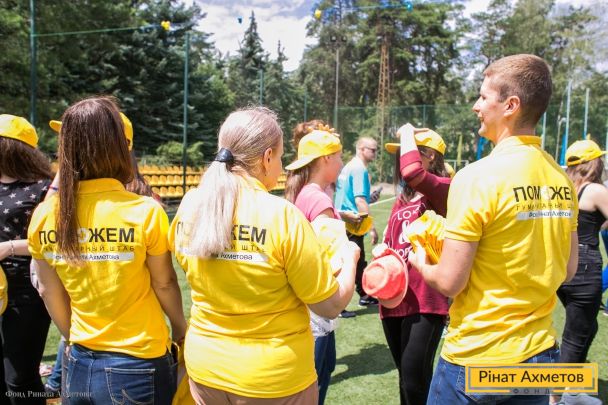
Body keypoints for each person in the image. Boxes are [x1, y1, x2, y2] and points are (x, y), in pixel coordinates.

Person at [409, 54, 578, 405]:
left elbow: (451, 282)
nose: (476, 106)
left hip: (477, 355)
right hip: (538, 355)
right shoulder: (561, 178)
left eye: (483, 97)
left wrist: (421, 262)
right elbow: (568, 269)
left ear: (511, 106)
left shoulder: (476, 177)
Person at [169, 107, 359, 404]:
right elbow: (330, 305)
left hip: (205, 369)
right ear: (266, 157)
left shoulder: (191, 205)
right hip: (273, 380)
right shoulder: (282, 216)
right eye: (281, 157)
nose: (282, 167)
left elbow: (186, 263)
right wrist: (350, 259)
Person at [27, 96, 187, 404]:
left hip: (79, 361)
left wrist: (73, 338)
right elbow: (165, 283)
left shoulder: (45, 214)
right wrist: (181, 329)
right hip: (138, 363)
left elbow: (47, 290)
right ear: (118, 146)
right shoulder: (144, 211)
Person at [380, 125, 450, 405]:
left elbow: (412, 172)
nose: (402, 158)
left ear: (429, 155)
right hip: (394, 296)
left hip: (425, 298)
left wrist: (407, 131)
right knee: (405, 381)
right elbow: (391, 239)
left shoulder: (443, 189)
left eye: (407, 151)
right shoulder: (402, 198)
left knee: (415, 381)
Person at [284, 127, 347, 404]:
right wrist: (351, 256)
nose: (342, 163)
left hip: (304, 304)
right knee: (316, 386)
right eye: (339, 156)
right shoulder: (319, 198)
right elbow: (329, 258)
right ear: (325, 159)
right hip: (318, 307)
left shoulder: (303, 193)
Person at [0, 114, 53, 404]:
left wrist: (8, 247)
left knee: (19, 377)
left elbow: (52, 241)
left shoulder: (43, 188)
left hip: (25, 290)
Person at [558, 140, 608, 361]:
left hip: (562, 263)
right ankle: (560, 384)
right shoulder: (595, 190)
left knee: (588, 327)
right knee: (575, 338)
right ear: (595, 163)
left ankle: (574, 378)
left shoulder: (563, 188)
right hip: (584, 266)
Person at [334, 136, 379, 310]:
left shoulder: (349, 167)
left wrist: (370, 199)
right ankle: (339, 305)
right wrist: (372, 228)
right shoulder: (359, 169)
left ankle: (364, 295)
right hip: (352, 223)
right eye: (372, 150)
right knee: (350, 263)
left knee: (356, 261)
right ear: (361, 149)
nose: (375, 153)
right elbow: (360, 201)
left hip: (342, 221)